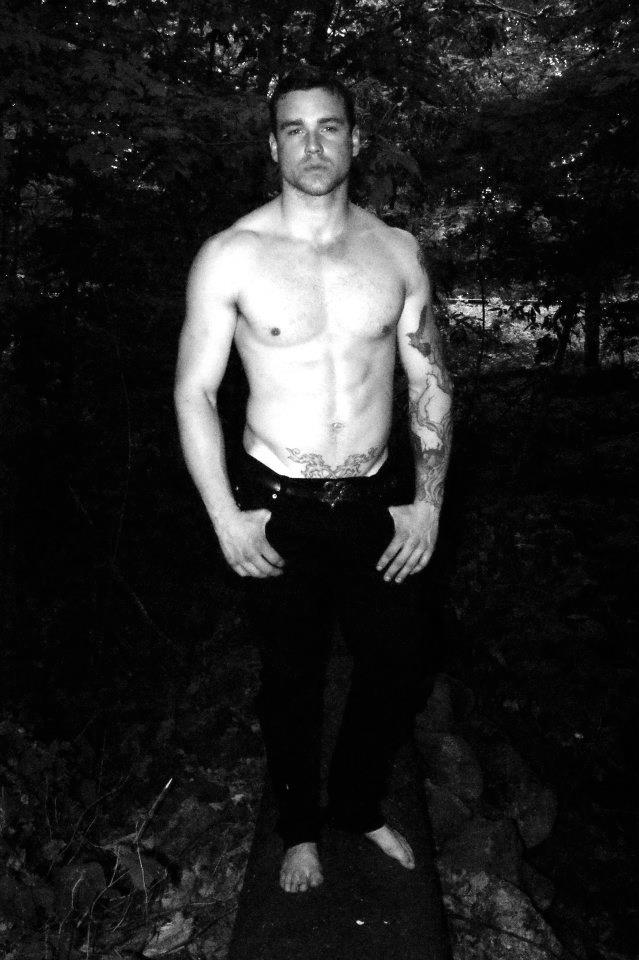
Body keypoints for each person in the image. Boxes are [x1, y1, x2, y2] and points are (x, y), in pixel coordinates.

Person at [174, 66, 453, 895]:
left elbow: (430, 380)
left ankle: (357, 803)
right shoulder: (231, 255)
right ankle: (298, 827)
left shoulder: (396, 251)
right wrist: (225, 517)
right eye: (293, 129)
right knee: (289, 678)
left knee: (398, 663)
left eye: (328, 126)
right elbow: (193, 392)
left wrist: (428, 504)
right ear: (272, 146)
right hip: (274, 502)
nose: (312, 144)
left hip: (374, 498)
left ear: (355, 140)